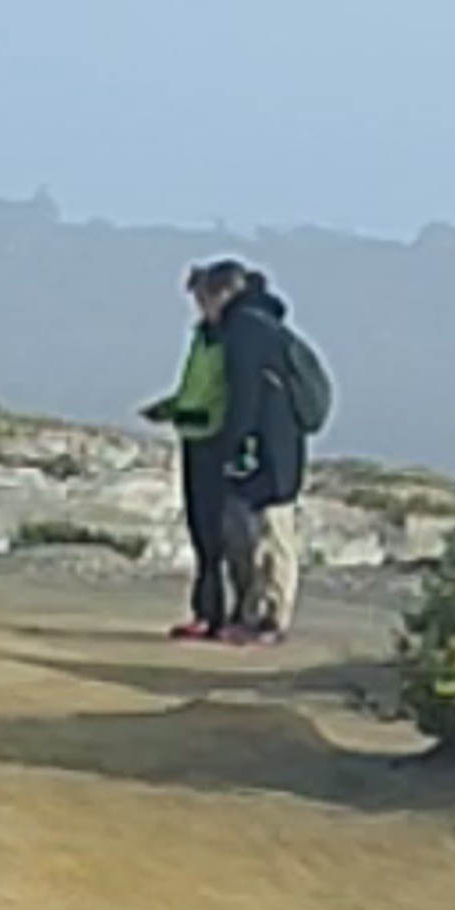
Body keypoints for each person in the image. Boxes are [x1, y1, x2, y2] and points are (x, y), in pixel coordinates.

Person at [211, 263, 327, 638]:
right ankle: (259, 614)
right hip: (282, 444)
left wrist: (231, 442)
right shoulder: (267, 325)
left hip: (269, 447)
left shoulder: (244, 329)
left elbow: (245, 394)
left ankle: (272, 619)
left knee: (273, 533)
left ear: (222, 293)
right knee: (266, 532)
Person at [142, 262, 247, 637]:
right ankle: (207, 612)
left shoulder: (233, 339)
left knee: (219, 533)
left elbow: (225, 396)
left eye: (205, 298)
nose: (201, 306)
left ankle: (223, 615)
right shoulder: (203, 337)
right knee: (202, 531)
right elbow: (197, 389)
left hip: (216, 440)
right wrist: (172, 407)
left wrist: (185, 410)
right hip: (195, 436)